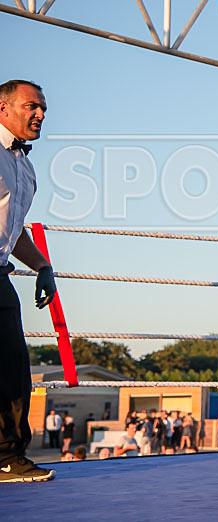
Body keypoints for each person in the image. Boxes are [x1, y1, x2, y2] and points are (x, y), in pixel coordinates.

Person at [0, 80, 57, 484]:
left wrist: (42, 267)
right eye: (31, 106)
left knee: (14, 369)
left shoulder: (25, 167)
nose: (39, 114)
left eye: (43, 109)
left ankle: (7, 458)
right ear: (3, 108)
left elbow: (13, 229)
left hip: (1, 273)